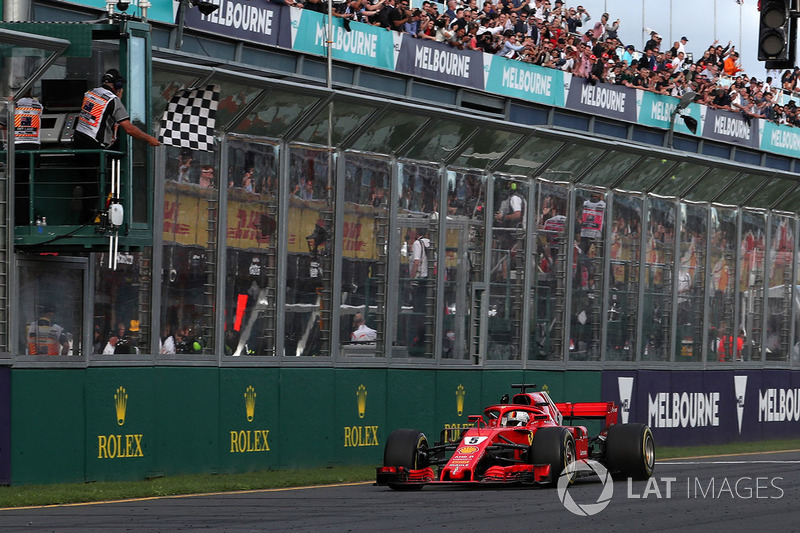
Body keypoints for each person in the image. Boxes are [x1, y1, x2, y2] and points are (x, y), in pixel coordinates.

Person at [73, 69, 160, 223]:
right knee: (97, 187)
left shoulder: (91, 92)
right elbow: (129, 128)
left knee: (86, 183)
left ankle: (84, 212)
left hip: (78, 141)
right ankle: (88, 221)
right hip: (95, 147)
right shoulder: (113, 101)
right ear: (118, 85)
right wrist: (149, 139)